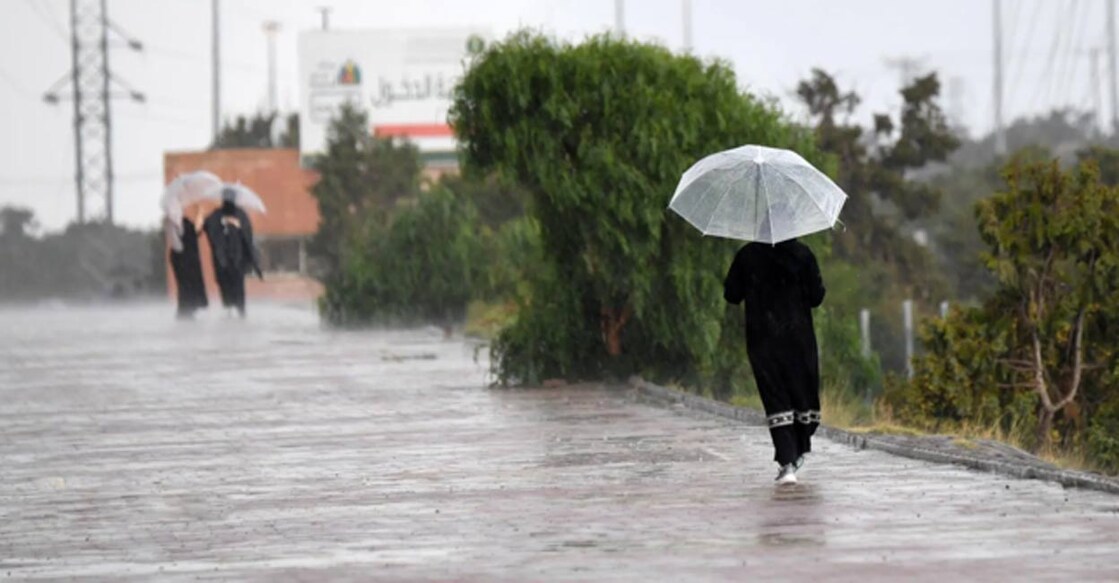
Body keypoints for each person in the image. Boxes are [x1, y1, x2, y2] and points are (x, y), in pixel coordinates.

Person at [723, 238, 825, 485]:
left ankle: (788, 461)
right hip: (799, 340)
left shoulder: (747, 255)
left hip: (763, 339)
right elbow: (816, 296)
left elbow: (732, 294)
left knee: (775, 398)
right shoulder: (803, 254)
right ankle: (797, 451)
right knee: (802, 395)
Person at [203, 188, 262, 317]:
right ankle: (229, 313)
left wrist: (238, 226)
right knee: (225, 289)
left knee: (238, 289)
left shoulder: (241, 214)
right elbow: (208, 228)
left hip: (237, 259)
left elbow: (248, 234)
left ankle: (240, 312)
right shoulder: (216, 215)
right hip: (222, 260)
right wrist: (222, 224)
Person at [164, 206, 208, 319]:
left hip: (190, 257)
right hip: (182, 259)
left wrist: (200, 215)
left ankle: (190, 309)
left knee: (192, 283)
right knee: (185, 285)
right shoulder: (171, 223)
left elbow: (196, 232)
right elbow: (176, 243)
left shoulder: (185, 221)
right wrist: (182, 251)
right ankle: (184, 311)